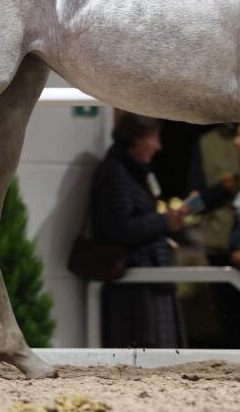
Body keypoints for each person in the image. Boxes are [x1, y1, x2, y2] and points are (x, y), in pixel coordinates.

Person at [90, 112, 188, 348]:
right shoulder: (116, 173)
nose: (158, 146)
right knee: (148, 351)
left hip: (150, 281)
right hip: (135, 289)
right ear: (136, 138)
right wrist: (165, 222)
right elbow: (121, 227)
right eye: (154, 138)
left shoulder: (133, 172)